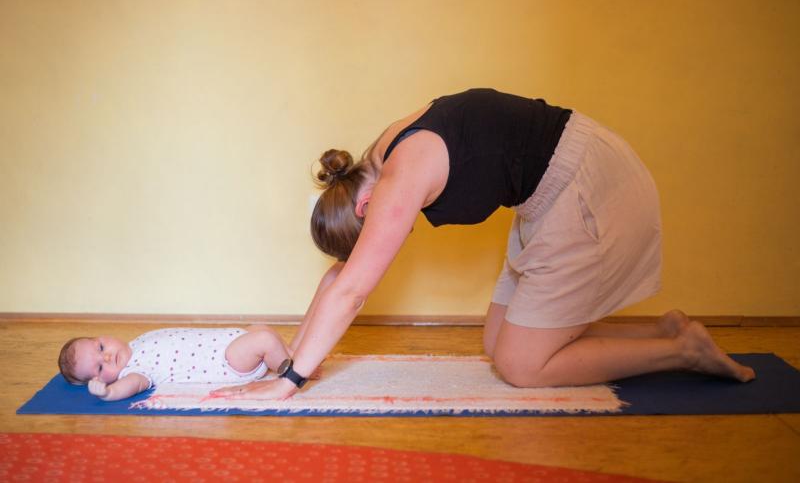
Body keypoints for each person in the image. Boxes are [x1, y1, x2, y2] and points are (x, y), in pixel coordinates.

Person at [214, 88, 755, 401]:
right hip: (545, 200)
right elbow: (341, 278)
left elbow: (353, 288)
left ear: (363, 207)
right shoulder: (380, 159)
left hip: (588, 185)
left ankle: (683, 351)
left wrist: (289, 382)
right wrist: (283, 357)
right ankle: (664, 329)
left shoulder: (401, 176)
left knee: (522, 366)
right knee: (498, 345)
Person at [58, 325, 302, 401]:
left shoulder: (135, 343)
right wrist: (108, 393)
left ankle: (286, 354)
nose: (108, 356)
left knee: (260, 329)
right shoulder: (136, 371)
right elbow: (130, 386)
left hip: (227, 339)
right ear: (100, 379)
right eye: (101, 367)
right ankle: (293, 370)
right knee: (265, 339)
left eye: (101, 348)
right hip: (226, 361)